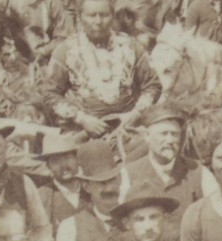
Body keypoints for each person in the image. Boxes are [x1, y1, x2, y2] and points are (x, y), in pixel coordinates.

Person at [37, 0, 160, 139]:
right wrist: (81, 118)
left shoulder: (131, 47)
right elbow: (49, 92)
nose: (98, 21)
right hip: (83, 132)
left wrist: (135, 115)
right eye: (91, 15)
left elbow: (153, 85)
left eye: (104, 15)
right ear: (80, 17)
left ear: (112, 16)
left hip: (130, 128)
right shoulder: (66, 51)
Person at [54, 139, 128, 241]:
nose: (109, 188)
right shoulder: (70, 228)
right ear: (87, 186)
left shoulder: (136, 219)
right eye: (101, 183)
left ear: (120, 179)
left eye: (112, 180)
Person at [121, 102, 205, 236]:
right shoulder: (128, 174)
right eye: (164, 134)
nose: (170, 140)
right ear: (146, 136)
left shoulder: (198, 171)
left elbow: (215, 217)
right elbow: (122, 224)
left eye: (174, 134)